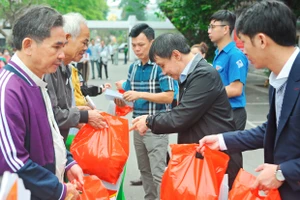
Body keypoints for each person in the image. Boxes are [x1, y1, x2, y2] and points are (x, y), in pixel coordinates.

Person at [198, 1, 300, 199]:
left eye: (244, 42)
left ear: (261, 40)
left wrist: (283, 171)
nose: (243, 50)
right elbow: (271, 129)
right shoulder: (279, 78)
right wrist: (221, 140)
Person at [130, 33, 242, 189]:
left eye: (162, 65)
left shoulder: (203, 74)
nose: (164, 72)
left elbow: (181, 116)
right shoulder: (189, 75)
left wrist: (149, 121)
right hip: (203, 157)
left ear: (176, 55)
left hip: (216, 161)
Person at [0, 5, 83, 199]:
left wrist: (68, 162)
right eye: (56, 46)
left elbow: (50, 133)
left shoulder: (37, 80)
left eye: (63, 46)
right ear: (28, 45)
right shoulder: (8, 90)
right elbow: (13, 163)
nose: (62, 55)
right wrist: (60, 190)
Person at [115, 23, 175, 200]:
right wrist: (121, 100)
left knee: (158, 173)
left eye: (141, 44)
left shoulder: (161, 65)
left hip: (156, 127)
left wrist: (140, 94)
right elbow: (131, 99)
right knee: (145, 171)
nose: (136, 49)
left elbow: (169, 96)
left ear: (152, 42)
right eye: (133, 45)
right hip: (137, 126)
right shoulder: (133, 68)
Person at [44, 13, 106, 142]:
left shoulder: (67, 68)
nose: (86, 48)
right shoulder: (50, 68)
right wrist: (83, 115)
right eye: (84, 42)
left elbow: (61, 109)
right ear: (67, 38)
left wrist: (77, 111)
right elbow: (51, 114)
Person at [208, 10, 249, 130]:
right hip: (220, 113)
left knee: (230, 148)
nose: (209, 31)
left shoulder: (235, 55)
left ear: (226, 29)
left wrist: (206, 93)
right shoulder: (219, 54)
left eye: (213, 27)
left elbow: (236, 89)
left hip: (233, 113)